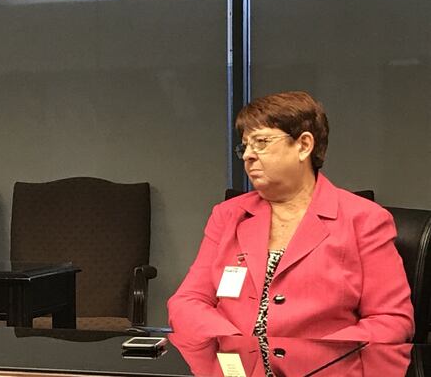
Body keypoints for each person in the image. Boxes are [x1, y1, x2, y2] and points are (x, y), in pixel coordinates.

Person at [167, 91, 413, 344]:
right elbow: (188, 302)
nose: (249, 155)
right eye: (245, 146)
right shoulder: (228, 214)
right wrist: (238, 347)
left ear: (304, 146)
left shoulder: (364, 219)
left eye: (261, 142)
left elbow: (391, 320)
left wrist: (316, 357)